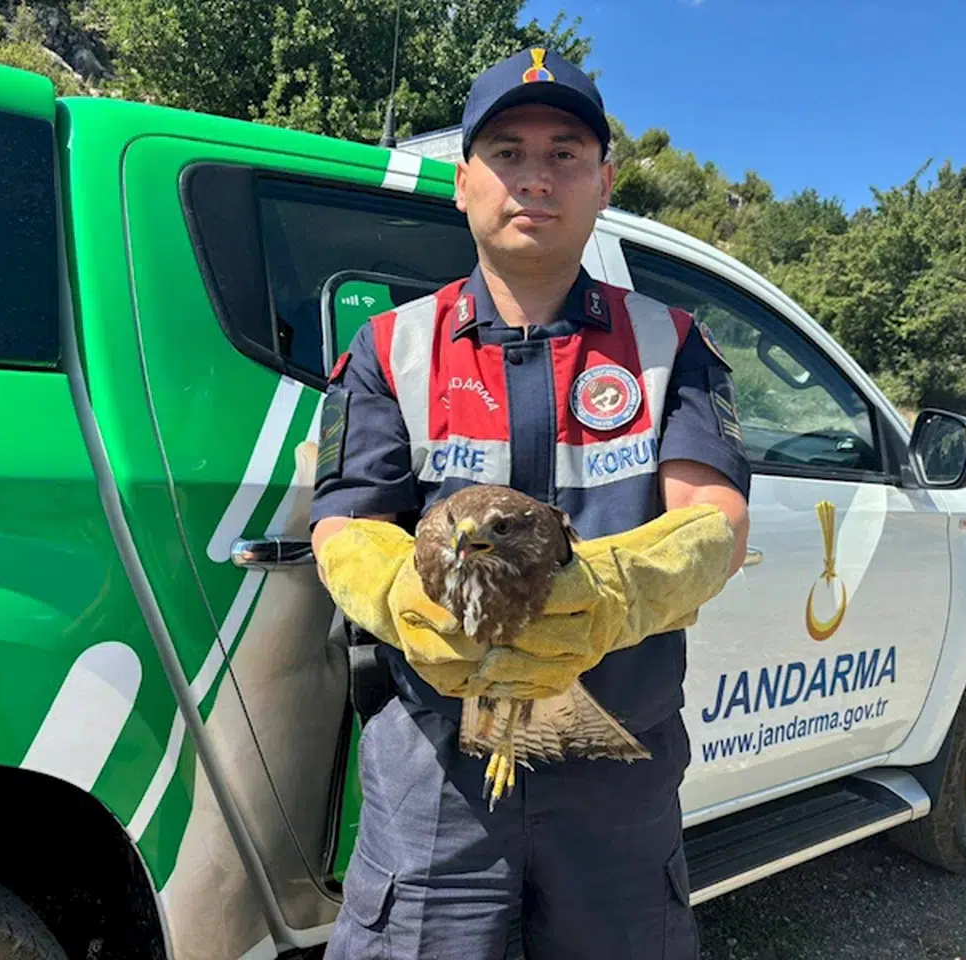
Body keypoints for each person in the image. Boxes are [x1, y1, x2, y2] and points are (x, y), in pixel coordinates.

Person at [309, 46, 751, 960]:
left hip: (615, 761)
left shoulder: (674, 343)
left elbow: (715, 517)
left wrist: (616, 593)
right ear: (462, 181)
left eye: (565, 155)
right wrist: (399, 592)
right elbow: (346, 523)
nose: (535, 178)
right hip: (437, 767)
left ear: (604, 184)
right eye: (507, 152)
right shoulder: (390, 346)